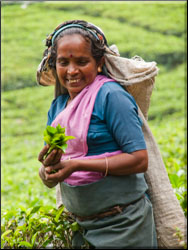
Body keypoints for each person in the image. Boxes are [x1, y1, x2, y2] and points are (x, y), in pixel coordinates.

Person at [37, 20, 158, 248]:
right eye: (63, 62)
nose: (72, 71)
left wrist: (78, 165)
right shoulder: (58, 108)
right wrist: (47, 170)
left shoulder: (111, 96)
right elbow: (56, 171)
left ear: (99, 63)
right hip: (82, 229)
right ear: (55, 65)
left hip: (125, 225)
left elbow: (139, 160)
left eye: (82, 62)